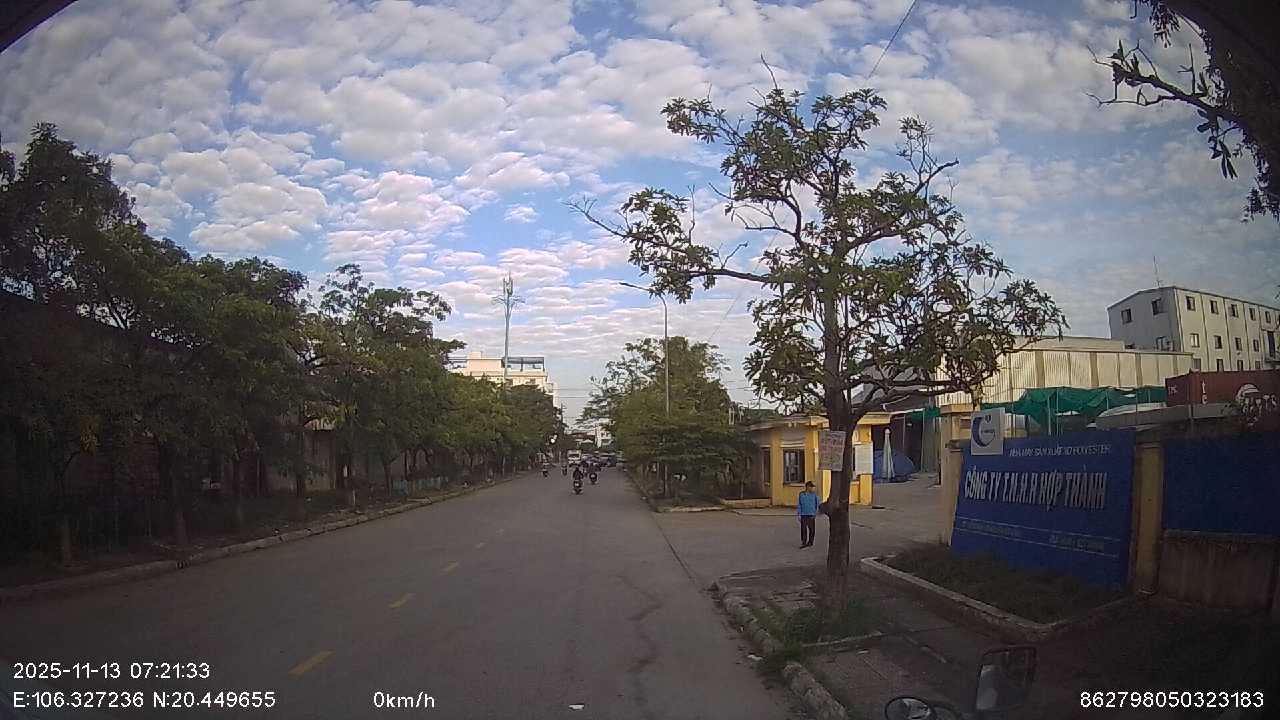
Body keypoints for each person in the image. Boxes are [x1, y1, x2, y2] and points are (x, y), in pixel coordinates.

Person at [797, 481, 819, 548]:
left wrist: (815, 513)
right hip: (803, 514)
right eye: (811, 487)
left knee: (812, 529)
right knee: (803, 529)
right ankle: (803, 542)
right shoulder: (801, 494)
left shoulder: (814, 495)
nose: (812, 488)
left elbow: (817, 504)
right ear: (807, 487)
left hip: (811, 514)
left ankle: (810, 542)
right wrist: (799, 514)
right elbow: (799, 504)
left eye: (813, 487)